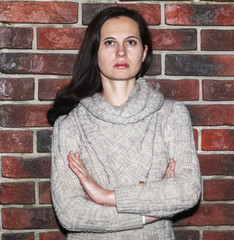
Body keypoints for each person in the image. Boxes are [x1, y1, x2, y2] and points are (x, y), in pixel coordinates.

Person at [47, 6, 201, 240]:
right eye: (109, 42)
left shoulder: (170, 114)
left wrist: (107, 197)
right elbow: (71, 214)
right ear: (94, 52)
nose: (121, 52)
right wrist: (151, 213)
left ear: (143, 52)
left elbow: (188, 190)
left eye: (130, 42)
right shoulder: (70, 125)